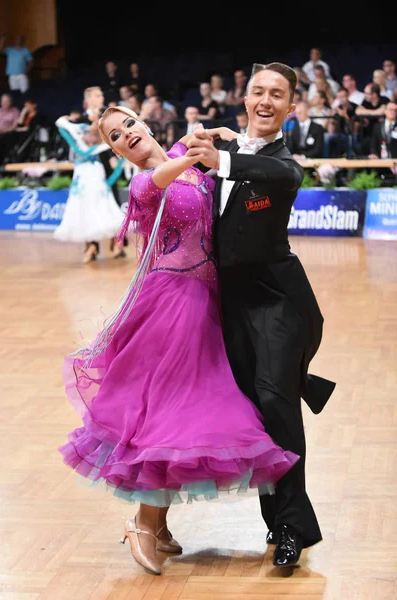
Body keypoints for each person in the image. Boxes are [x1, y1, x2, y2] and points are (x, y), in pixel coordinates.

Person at [57, 105, 300, 576]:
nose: (126, 134)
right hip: (170, 303)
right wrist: (197, 152)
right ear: (112, 150)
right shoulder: (145, 182)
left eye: (129, 124)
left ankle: (161, 526)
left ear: (145, 126)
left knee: (178, 411)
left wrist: (217, 133)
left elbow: (192, 145)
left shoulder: (176, 153)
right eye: (114, 136)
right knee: (170, 412)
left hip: (203, 301)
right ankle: (142, 525)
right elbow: (166, 174)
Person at [185, 62, 336, 567]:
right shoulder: (222, 151)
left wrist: (225, 160)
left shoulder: (276, 163)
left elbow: (282, 173)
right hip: (228, 305)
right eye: (257, 92)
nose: (266, 100)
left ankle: (295, 529)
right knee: (254, 415)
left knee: (274, 403)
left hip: (277, 301)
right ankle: (277, 525)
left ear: (291, 109)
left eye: (277, 94)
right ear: (244, 99)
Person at [53, 116, 125, 263]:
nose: (90, 136)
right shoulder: (79, 146)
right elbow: (60, 124)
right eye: (87, 133)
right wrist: (72, 123)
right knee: (83, 210)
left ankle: (116, 243)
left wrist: (111, 180)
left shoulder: (101, 149)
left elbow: (119, 161)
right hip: (81, 180)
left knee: (105, 208)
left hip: (97, 180)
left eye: (93, 134)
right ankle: (91, 245)